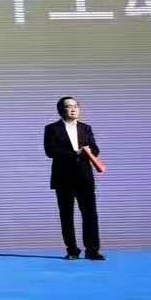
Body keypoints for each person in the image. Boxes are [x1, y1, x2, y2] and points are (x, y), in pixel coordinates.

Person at [45, 96, 104, 260]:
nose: (73, 109)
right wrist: (75, 153)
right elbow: (50, 151)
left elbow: (95, 149)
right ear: (60, 110)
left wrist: (89, 152)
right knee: (66, 215)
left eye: (76, 106)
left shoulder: (86, 128)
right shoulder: (52, 129)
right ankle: (72, 250)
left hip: (84, 177)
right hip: (63, 177)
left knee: (90, 214)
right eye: (69, 106)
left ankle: (92, 250)